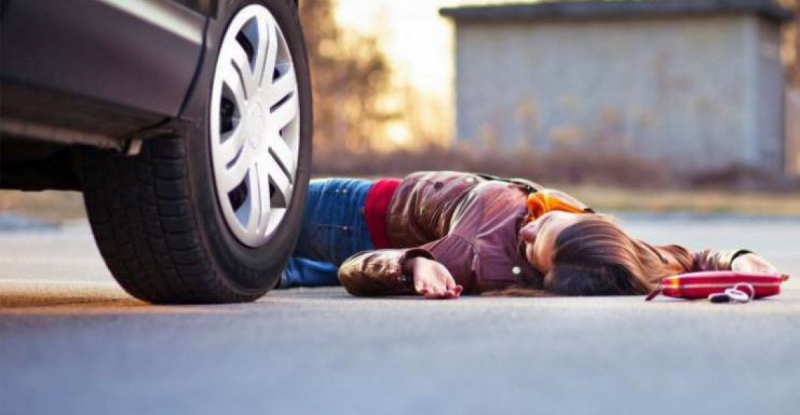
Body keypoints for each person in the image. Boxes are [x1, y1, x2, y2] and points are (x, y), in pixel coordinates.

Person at [278, 172, 780, 299]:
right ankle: (292, 270)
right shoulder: (606, 248)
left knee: (236, 224)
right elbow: (682, 259)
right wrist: (738, 258)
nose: (534, 224)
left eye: (533, 244)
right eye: (553, 221)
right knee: (266, 268)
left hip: (347, 215)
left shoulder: (470, 254)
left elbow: (356, 269)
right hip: (370, 202)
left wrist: (412, 264)